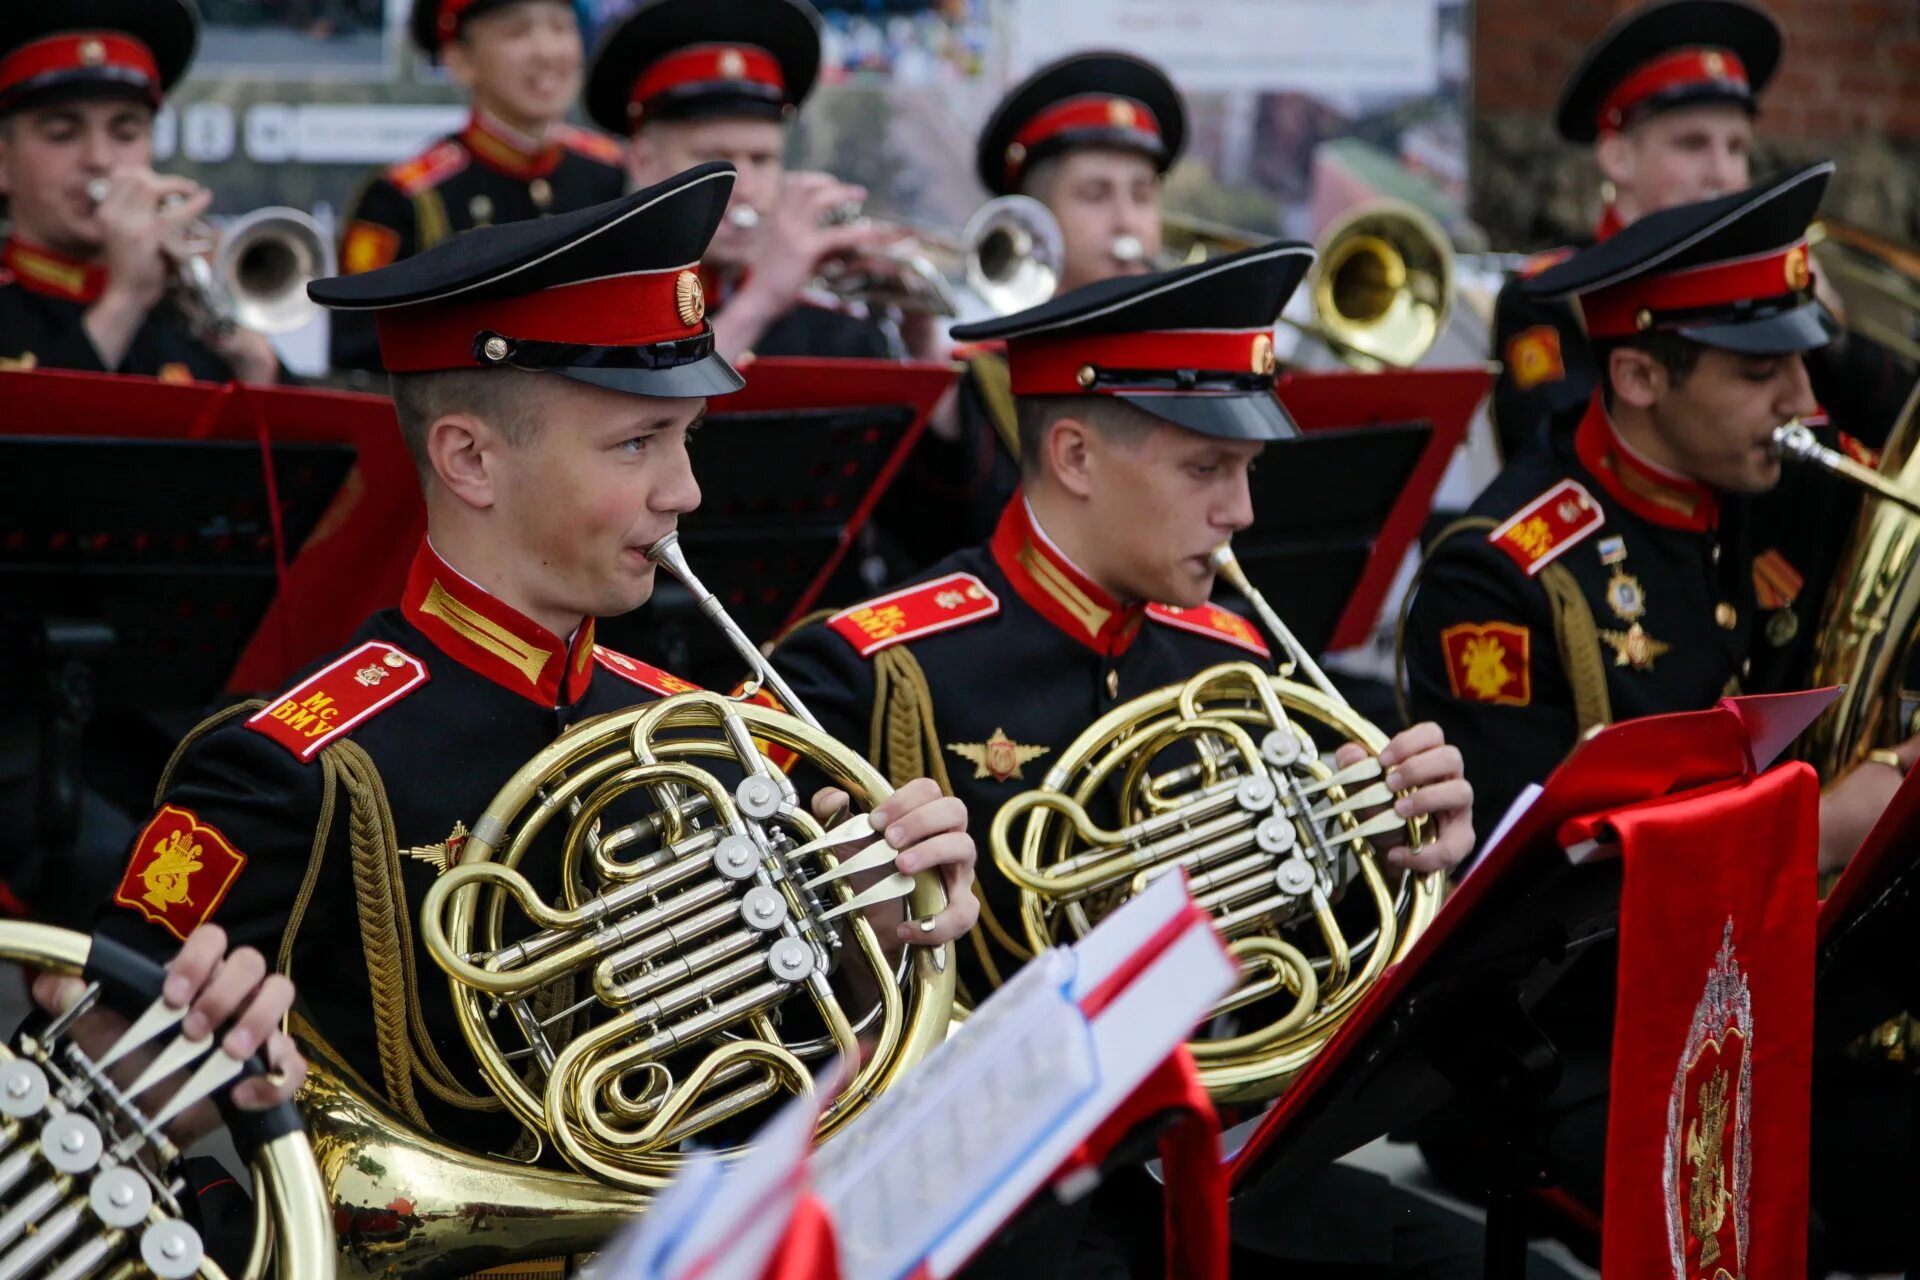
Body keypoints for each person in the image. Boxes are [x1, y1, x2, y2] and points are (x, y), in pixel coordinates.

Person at [94, 164, 978, 1167]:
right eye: (638, 443)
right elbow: (99, 1074)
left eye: (686, 439)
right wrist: (176, 1090)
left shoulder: (708, 737)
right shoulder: (294, 766)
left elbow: (790, 1093)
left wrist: (872, 950)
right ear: (470, 459)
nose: (684, 488)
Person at [768, 248, 1578, 1280]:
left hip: (1218, 1166)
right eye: (1207, 469)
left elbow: (1328, 953)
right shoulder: (872, 667)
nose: (1241, 511)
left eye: (1244, 471)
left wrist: (1412, 850)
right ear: (1073, 452)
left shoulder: (1235, 653)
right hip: (998, 1211)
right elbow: (798, 1016)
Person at [1402, 161, 1913, 1267]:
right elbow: (1515, 907)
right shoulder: (1496, 579)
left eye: (1803, 362)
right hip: (1582, 1048)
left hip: (1786, 1001)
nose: (1803, 406)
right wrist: (1821, 823)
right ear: (1635, 372)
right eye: (1760, 373)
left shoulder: (1787, 483)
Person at [898, 50, 1191, 567]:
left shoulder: (1190, 362)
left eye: (1142, 196)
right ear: (1036, 221)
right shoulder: (988, 377)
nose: (1126, 222)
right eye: (1095, 196)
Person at [586, 0, 927, 364]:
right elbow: (645, 413)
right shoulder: (588, 307)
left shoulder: (836, 332)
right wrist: (760, 302)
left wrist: (922, 335)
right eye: (715, 161)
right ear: (642, 162)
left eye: (762, 160)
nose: (745, 187)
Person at [327, 0, 626, 374]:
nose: (548, 52)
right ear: (461, 61)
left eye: (562, 28)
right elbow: (360, 352)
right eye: (517, 32)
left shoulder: (614, 174)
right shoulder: (406, 198)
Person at [0, 1, 282, 383]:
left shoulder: (182, 314)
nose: (100, 159)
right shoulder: (131, 298)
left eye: (125, 132)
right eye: (62, 134)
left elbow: (301, 439)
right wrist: (123, 303)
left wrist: (253, 361)